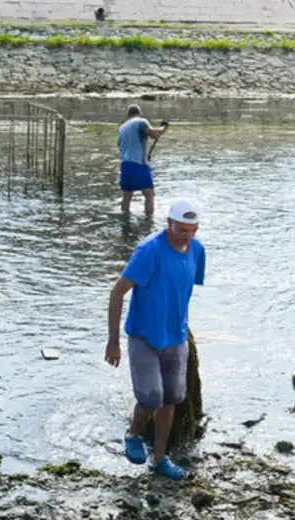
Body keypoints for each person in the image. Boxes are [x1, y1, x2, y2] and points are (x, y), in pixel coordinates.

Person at [104, 198, 206, 481]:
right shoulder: (150, 251)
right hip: (143, 336)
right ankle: (134, 434)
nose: (187, 236)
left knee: (172, 398)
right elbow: (117, 292)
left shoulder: (197, 251)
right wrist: (113, 341)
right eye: (182, 229)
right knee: (151, 398)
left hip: (175, 338)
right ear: (169, 223)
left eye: (193, 230)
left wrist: (182, 328)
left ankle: (159, 459)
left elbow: (181, 292)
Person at [117, 104, 168, 216]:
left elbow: (121, 147)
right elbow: (154, 134)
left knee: (126, 196)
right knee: (149, 194)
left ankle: (125, 221)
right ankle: (149, 222)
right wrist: (163, 127)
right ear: (139, 113)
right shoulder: (141, 122)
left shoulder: (122, 128)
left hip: (125, 165)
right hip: (138, 163)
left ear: (128, 115)